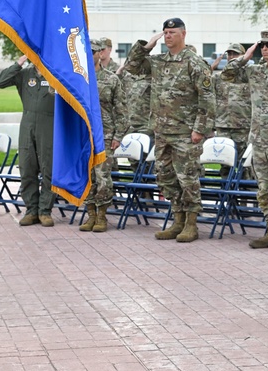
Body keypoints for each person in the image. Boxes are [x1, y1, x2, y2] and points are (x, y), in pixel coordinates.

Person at [124, 18, 215, 242]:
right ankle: (178, 220)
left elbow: (207, 99)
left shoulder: (194, 62)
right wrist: (146, 46)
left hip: (185, 132)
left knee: (187, 178)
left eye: (172, 32)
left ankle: (191, 224)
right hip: (162, 131)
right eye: (165, 32)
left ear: (184, 34)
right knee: (165, 177)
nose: (168, 36)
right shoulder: (158, 61)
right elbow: (132, 67)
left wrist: (199, 130)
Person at [222, 29, 268, 250]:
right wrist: (245, 57)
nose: (265, 48)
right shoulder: (255, 72)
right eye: (262, 44)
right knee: (263, 188)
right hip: (259, 140)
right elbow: (226, 75)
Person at [0, 54, 57, 226]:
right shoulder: (25, 74)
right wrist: (19, 63)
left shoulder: (55, 74)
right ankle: (31, 210)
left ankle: (45, 211)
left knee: (48, 168)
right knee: (27, 167)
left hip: (49, 124)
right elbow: (0, 82)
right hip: (27, 124)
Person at [79, 36, 127, 233]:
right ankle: (90, 213)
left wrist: (118, 136)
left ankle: (102, 215)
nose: (89, 56)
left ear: (100, 54)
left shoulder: (111, 79)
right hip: (82, 135)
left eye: (93, 52)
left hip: (105, 135)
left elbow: (122, 111)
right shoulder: (77, 79)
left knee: (103, 177)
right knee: (86, 176)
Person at [211, 43, 252, 165]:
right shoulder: (219, 77)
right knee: (223, 161)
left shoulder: (249, 75)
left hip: (242, 126)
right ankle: (225, 184)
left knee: (243, 164)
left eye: (235, 54)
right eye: (229, 54)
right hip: (223, 125)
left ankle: (244, 185)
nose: (232, 56)